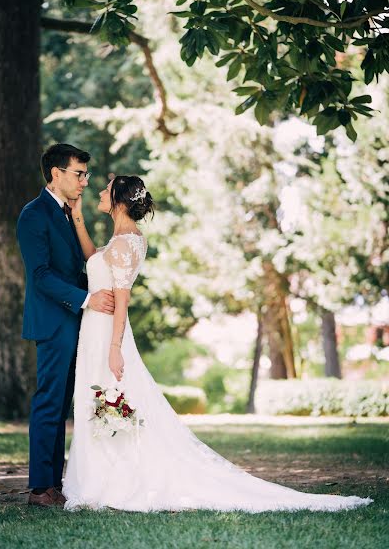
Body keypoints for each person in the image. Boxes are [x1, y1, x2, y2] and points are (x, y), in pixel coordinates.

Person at [63, 175, 372, 513]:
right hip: (95, 329)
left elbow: (122, 300)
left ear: (120, 201)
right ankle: (106, 474)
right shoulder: (122, 239)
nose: (100, 192)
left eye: (107, 190)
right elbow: (94, 258)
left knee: (111, 400)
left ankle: (115, 480)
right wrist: (77, 217)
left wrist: (114, 347)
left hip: (107, 332)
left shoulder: (125, 244)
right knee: (102, 403)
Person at [17, 144, 115, 508]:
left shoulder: (66, 213)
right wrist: (87, 299)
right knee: (49, 402)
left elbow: (80, 265)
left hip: (77, 322)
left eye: (86, 174)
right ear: (56, 174)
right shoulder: (34, 215)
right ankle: (41, 487)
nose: (85, 182)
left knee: (62, 406)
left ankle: (54, 484)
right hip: (53, 323)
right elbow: (40, 275)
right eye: (79, 173)